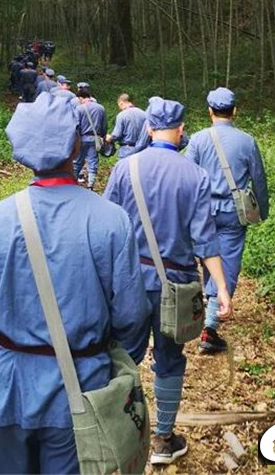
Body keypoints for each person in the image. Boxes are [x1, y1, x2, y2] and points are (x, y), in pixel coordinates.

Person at [0, 92, 150, 475]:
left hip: (9, 387)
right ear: (76, 144)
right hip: (81, 389)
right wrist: (104, 353)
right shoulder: (110, 220)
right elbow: (132, 315)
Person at [104, 97, 232, 467]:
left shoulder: (124, 169)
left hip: (127, 280)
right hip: (175, 285)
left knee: (123, 355)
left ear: (148, 128)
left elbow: (107, 226)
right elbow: (206, 240)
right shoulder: (195, 175)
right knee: (170, 358)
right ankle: (162, 440)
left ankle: (118, 434)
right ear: (180, 131)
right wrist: (220, 287)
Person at [184, 86, 269, 354]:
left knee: (209, 257)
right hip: (234, 212)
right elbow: (259, 180)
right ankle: (209, 328)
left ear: (209, 112)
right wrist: (262, 210)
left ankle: (210, 305)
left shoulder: (197, 140)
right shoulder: (247, 141)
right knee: (228, 261)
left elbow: (186, 177)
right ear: (235, 111)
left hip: (202, 211)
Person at [73, 85, 107, 189]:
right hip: (95, 139)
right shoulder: (101, 108)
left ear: (81, 98)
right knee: (92, 162)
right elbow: (104, 125)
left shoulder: (79, 108)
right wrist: (103, 136)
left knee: (77, 162)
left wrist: (75, 139)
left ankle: (73, 182)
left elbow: (76, 125)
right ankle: (91, 185)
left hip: (82, 139)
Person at [106, 93, 147, 158]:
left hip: (127, 150)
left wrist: (109, 137)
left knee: (126, 168)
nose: (119, 108)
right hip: (143, 150)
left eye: (119, 105)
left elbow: (117, 135)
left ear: (121, 103)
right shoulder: (144, 113)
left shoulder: (121, 115)